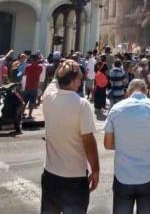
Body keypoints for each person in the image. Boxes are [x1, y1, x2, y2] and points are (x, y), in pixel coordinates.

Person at [104, 79, 150, 213]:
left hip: (123, 175)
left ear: (128, 92)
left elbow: (108, 144)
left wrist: (125, 142)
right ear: (145, 91)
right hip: (148, 174)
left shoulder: (116, 109)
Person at [41, 59, 99, 214]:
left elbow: (53, 82)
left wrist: (60, 69)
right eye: (79, 79)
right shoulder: (81, 104)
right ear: (73, 81)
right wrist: (96, 170)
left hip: (50, 174)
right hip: (74, 177)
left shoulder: (48, 98)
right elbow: (89, 142)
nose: (80, 83)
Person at [23, 54, 43, 119]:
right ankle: (29, 115)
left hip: (27, 86)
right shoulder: (40, 67)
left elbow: (25, 74)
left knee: (25, 101)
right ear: (37, 60)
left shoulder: (28, 67)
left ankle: (22, 114)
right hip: (34, 87)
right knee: (32, 102)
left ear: (31, 60)